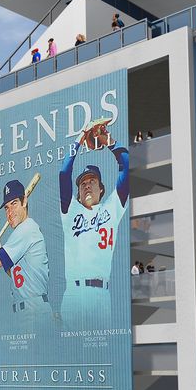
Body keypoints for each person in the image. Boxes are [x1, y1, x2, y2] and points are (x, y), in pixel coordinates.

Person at [59, 118, 131, 329]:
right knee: (72, 355)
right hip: (74, 294)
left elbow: (126, 166)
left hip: (102, 296)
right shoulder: (70, 211)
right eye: (82, 183)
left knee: (101, 355)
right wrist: (81, 137)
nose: (87, 185)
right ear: (78, 193)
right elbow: (64, 173)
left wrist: (107, 139)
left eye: (92, 181)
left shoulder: (112, 207)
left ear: (102, 189)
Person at [0, 180, 50, 319]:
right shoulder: (24, 231)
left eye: (14, 203)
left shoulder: (26, 229)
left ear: (24, 201)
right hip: (28, 309)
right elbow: (18, 276)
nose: (10, 212)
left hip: (33, 311)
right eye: (6, 207)